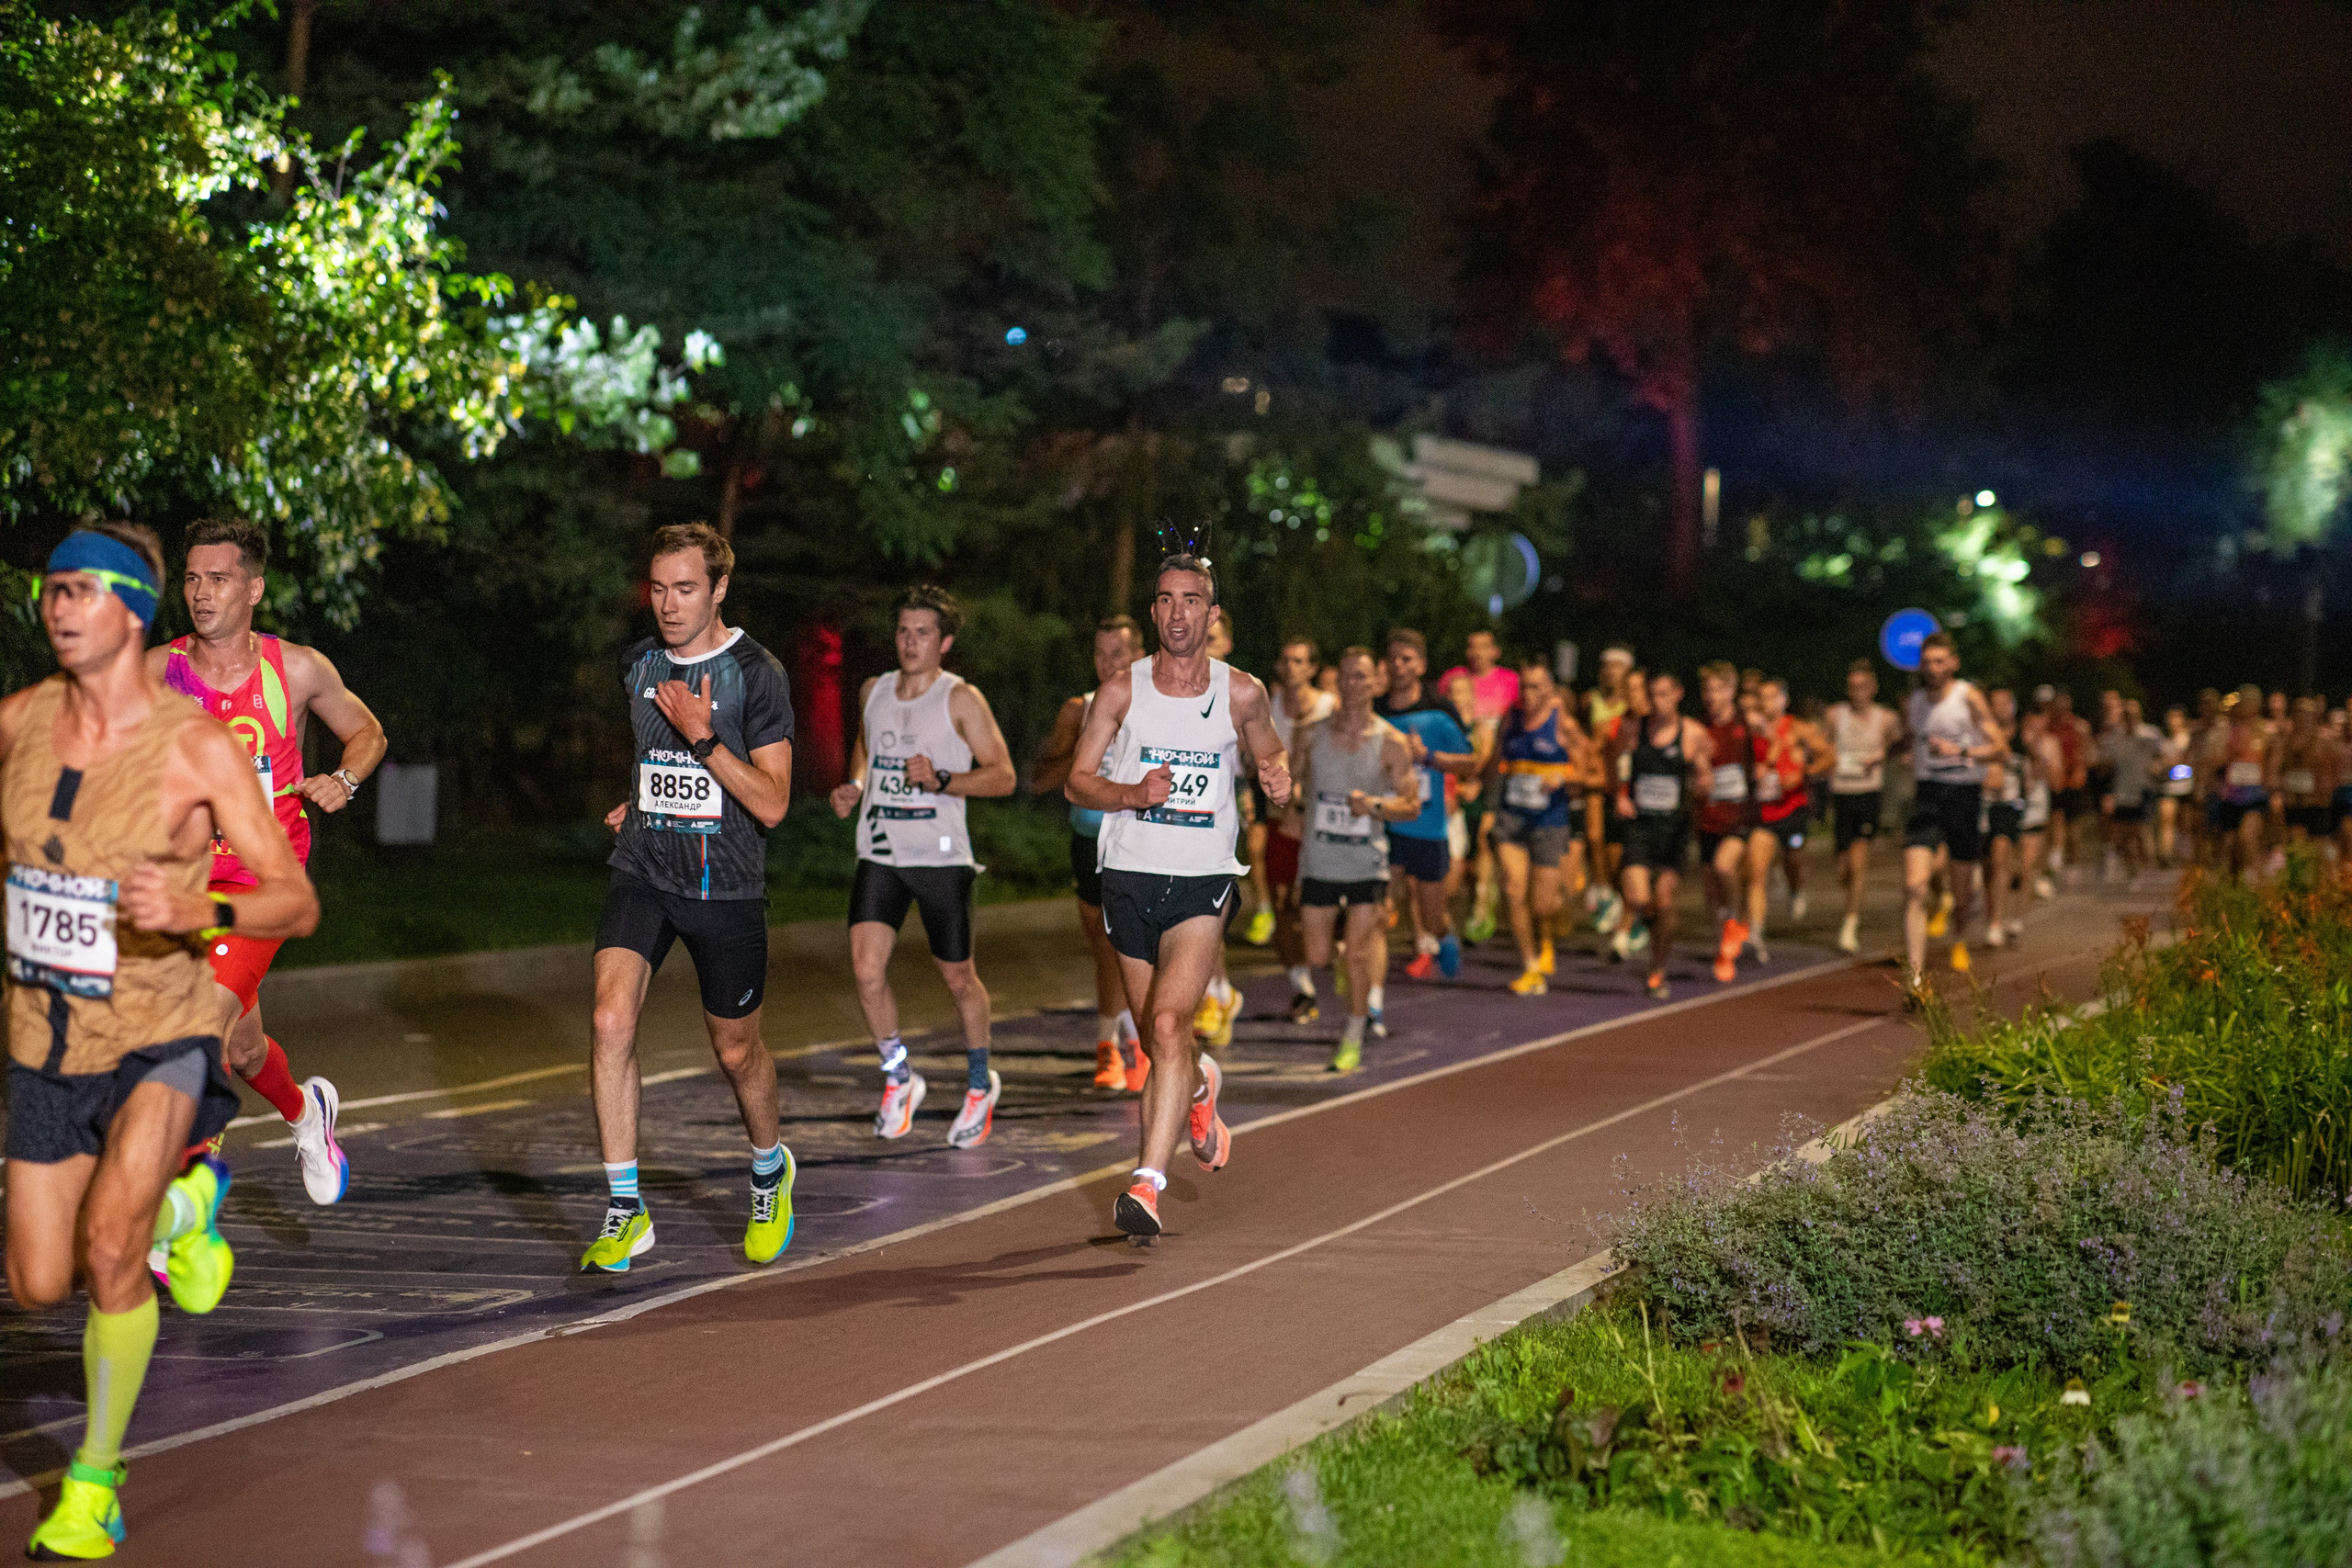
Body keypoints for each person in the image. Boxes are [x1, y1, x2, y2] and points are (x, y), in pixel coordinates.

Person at [6, 525, 321, 1560]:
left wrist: (199, 914)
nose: (61, 607)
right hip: (49, 1034)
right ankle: (192, 1206)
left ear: (132, 612)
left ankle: (93, 1482)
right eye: (54, 589)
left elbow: (293, 900)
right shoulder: (21, 722)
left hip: (162, 1025)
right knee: (38, 1281)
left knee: (110, 1250)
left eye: (84, 590)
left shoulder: (193, 744)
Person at [144, 518, 383, 1207]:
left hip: (263, 879)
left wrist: (345, 780)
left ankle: (179, 1210)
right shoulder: (158, 671)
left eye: (218, 578)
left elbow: (367, 731)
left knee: (198, 1029)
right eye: (193, 578)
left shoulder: (296, 669)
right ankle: (307, 1114)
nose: (201, 592)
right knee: (244, 1049)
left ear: (253, 589)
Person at [584, 524, 797, 1274]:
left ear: (719, 589)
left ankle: (770, 1170)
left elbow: (772, 802)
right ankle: (625, 1207)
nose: (668, 604)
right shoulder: (639, 664)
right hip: (644, 868)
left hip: (725, 886)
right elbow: (655, 758)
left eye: (685, 588)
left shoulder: (756, 673)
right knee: (610, 1019)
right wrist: (640, 799)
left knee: (736, 1052)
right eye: (658, 588)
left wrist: (706, 739)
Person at [1066, 554, 1289, 1242]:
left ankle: (1146, 1185)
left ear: (1211, 614)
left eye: (1191, 599)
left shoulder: (1241, 692)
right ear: (1154, 611)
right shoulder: (1120, 691)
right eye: (1165, 599)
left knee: (1167, 1026)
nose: (1178, 612)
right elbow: (1077, 782)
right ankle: (1197, 1089)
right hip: (1128, 876)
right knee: (1157, 1037)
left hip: (1202, 879)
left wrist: (1278, 778)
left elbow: (1272, 753)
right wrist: (1134, 793)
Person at [831, 586, 1019, 1147]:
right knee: (866, 971)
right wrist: (854, 784)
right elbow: (866, 746)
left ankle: (980, 1086)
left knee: (959, 977)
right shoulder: (873, 690)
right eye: (903, 631)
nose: (910, 643)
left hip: (940, 857)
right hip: (881, 850)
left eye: (923, 633)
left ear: (945, 642)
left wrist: (941, 779)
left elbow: (1004, 776)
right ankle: (899, 1077)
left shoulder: (960, 699)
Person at [1290, 649, 1419, 1069]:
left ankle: (1352, 1034)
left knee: (1359, 954)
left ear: (1376, 683)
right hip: (1320, 860)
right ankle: (1348, 969)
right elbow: (1290, 784)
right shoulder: (1310, 734)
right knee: (1317, 956)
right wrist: (1289, 797)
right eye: (1345, 676)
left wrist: (1375, 806)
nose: (1352, 684)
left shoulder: (1391, 741)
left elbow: (1412, 805)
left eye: (1361, 677)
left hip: (1367, 863)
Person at [1034, 615, 1147, 1089]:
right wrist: (1077, 751)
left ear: (1139, 654)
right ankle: (1113, 1046)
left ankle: (1137, 1043)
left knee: (1138, 948)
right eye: (1100, 653)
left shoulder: (1160, 707)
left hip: (1140, 843)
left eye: (1116, 653)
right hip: (1089, 842)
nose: (1106, 663)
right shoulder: (1078, 709)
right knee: (1105, 947)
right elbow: (1040, 780)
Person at [1902, 634, 2005, 991]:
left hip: (1963, 795)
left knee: (1961, 895)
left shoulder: (1968, 697)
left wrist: (1960, 752)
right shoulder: (1915, 702)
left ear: (1953, 663)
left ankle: (1959, 937)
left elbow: (2000, 748)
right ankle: (1915, 978)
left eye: (1940, 661)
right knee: (1914, 885)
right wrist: (1885, 754)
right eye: (1927, 661)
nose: (1933, 668)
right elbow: (1909, 739)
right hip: (1928, 795)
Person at [1376, 630, 1478, 982]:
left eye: (1407, 659)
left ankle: (1444, 937)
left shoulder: (1439, 710)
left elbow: (1470, 763)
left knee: (1432, 917)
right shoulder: (1375, 710)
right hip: (1385, 824)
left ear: (1421, 665)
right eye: (1393, 658)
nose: (1399, 665)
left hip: (1426, 826)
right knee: (1378, 908)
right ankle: (1367, 977)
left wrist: (1429, 757)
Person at [1487, 658, 1589, 996]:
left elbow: (1591, 771)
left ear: (1550, 690)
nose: (1528, 694)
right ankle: (1530, 966)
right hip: (1513, 818)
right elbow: (1494, 761)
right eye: (1524, 687)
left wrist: (1564, 777)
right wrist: (1481, 786)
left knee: (1543, 904)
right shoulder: (1511, 719)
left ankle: (1553, 920)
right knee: (1514, 890)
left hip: (1549, 822)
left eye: (1536, 687)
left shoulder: (1564, 724)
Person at [1616, 670, 1712, 1001]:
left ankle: (1657, 969)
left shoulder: (1692, 733)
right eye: (1653, 695)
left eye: (1664, 695)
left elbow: (1705, 775)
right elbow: (1622, 763)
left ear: (1678, 694)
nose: (1658, 703)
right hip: (1640, 826)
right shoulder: (1635, 728)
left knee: (1665, 900)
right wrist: (1621, 795)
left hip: (1674, 829)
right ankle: (1650, 926)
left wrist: (1703, 782)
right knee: (1638, 898)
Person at [1262, 637, 1336, 1023]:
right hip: (1280, 817)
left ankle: (1341, 955)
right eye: (1286, 660)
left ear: (1312, 668)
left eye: (1299, 661)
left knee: (1318, 905)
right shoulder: (1267, 704)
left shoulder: (1329, 706)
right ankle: (1303, 988)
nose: (1291, 667)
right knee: (1281, 906)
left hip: (1320, 820)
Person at [1743, 677, 1826, 964]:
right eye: (1762, 697)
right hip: (1764, 813)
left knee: (1793, 859)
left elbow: (1829, 756)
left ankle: (1795, 889)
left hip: (1793, 809)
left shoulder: (1799, 729)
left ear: (1783, 700)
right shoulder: (1752, 729)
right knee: (1756, 871)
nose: (1767, 703)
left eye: (1772, 697)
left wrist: (1803, 773)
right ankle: (1756, 933)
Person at [1825, 660, 1903, 954]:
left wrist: (1883, 755)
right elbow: (1823, 746)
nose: (1857, 693)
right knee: (1842, 869)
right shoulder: (1835, 715)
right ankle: (1850, 905)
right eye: (1852, 687)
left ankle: (1850, 922)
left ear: (1873, 688)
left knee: (1858, 862)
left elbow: (1901, 743)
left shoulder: (1885, 718)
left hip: (1868, 794)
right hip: (1842, 793)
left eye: (1862, 687)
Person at [1692, 662, 1757, 984]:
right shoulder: (1698, 729)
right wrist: (1698, 777)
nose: (1712, 696)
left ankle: (1734, 922)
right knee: (1710, 895)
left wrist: (1767, 765)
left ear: (1731, 691)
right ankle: (1726, 943)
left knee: (1724, 866)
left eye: (1718, 689)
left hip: (1740, 815)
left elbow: (1770, 746)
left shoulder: (1746, 723)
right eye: (1708, 690)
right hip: (1708, 816)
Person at [1581, 645, 1635, 935]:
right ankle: (1602, 889)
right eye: (1608, 665)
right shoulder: (1590, 701)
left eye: (1619, 666)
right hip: (1596, 779)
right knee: (1593, 837)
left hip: (1621, 781)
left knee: (1616, 853)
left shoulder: (1634, 704)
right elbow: (1585, 738)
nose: (1612, 671)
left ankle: (1620, 899)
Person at [2095, 691, 2160, 880]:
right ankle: (2133, 869)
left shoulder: (2150, 735)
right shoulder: (2116, 739)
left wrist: (2157, 767)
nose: (2130, 718)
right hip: (2123, 790)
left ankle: (2147, 867)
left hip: (2143, 788)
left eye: (2133, 714)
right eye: (2127, 715)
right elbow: (2104, 763)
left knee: (2140, 830)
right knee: (2122, 833)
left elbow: (2163, 757)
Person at [2210, 685, 2272, 879]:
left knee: (2247, 838)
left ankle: (2254, 880)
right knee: (2229, 845)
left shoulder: (2266, 731)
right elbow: (2214, 761)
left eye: (2250, 701)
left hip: (2255, 797)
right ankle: (2235, 884)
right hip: (2230, 796)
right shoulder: (2227, 731)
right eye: (2243, 701)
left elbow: (2273, 761)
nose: (2245, 706)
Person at [2276, 696, 2339, 848]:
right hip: (2293, 801)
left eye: (2307, 714)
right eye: (2299, 713)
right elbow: (2275, 768)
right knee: (2296, 843)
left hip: (2317, 802)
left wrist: (2328, 786)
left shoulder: (2324, 742)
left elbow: (2336, 767)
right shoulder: (2284, 742)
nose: (2302, 718)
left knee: (2319, 844)